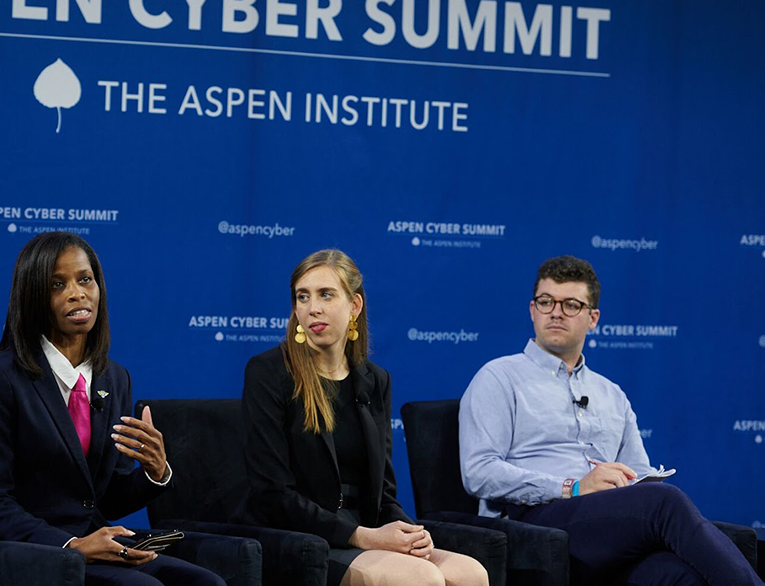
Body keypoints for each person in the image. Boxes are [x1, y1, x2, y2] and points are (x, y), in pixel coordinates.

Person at [459, 255, 762, 585]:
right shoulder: (499, 377)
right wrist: (571, 488)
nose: (556, 312)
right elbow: (480, 472)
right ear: (533, 310)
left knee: (680, 575)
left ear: (593, 319)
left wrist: (637, 483)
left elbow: (638, 473)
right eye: (546, 302)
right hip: (534, 522)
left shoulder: (611, 393)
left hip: (605, 527)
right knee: (667, 502)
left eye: (571, 304)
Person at [0, 232, 224, 586]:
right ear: (33, 296)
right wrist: (71, 544)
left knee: (206, 583)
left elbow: (103, 497)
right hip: (32, 552)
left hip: (96, 543)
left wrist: (154, 471)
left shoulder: (114, 377)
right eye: (57, 284)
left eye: (85, 279)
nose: (76, 293)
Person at [240, 249, 489, 586]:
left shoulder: (374, 379)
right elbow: (271, 494)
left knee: (470, 573)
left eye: (326, 295)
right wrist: (361, 536)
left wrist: (411, 533)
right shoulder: (269, 372)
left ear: (354, 305)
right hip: (301, 536)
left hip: (365, 529)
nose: (313, 308)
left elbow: (384, 492)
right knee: (419, 578)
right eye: (303, 296)